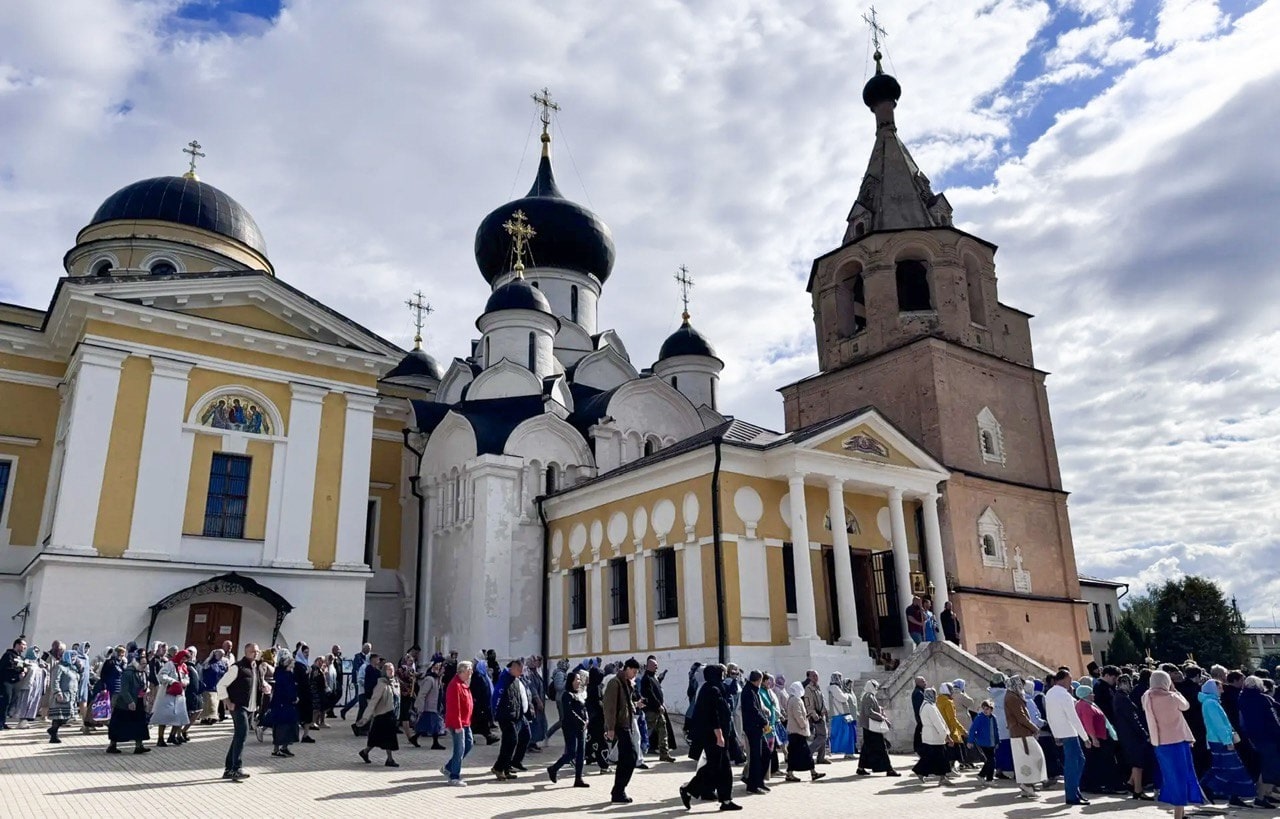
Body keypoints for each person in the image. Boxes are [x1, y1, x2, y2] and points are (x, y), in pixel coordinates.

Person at [680, 663, 743, 811]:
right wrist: (719, 735)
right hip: (713, 736)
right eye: (721, 673)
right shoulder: (711, 690)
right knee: (716, 767)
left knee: (722, 768)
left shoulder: (716, 688)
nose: (723, 676)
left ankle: (725, 800)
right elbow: (712, 715)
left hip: (720, 735)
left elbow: (731, 692)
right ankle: (689, 789)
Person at [1143, 669, 1204, 819]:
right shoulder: (1172, 697)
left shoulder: (1146, 697)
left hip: (1160, 742)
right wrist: (1175, 690)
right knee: (1182, 776)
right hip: (1178, 741)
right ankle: (1178, 814)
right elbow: (1186, 706)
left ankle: (1180, 813)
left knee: (1171, 776)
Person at [1199, 678, 1255, 807]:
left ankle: (1232, 795)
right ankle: (1208, 788)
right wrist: (1227, 741)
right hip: (1220, 741)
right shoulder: (1211, 704)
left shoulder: (1211, 702)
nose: (1222, 689)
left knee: (1221, 767)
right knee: (1230, 768)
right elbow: (1219, 725)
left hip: (1217, 740)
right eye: (1219, 687)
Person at [216, 642, 267, 781]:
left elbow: (258, 683)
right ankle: (236, 768)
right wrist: (227, 702)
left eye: (257, 651)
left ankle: (228, 769)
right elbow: (221, 685)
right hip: (238, 706)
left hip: (251, 707)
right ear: (246, 652)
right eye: (252, 651)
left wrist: (264, 687)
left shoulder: (258, 668)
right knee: (242, 734)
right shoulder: (237, 667)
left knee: (239, 736)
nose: (255, 654)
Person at [1045, 668, 1092, 806]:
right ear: (1064, 679)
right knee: (1074, 764)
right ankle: (1072, 795)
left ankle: (1074, 791)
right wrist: (1085, 737)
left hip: (1061, 731)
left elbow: (1049, 715)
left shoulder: (1050, 693)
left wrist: (1055, 734)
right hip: (1069, 732)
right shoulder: (1063, 695)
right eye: (1070, 679)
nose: (1071, 682)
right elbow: (1073, 717)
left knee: (1078, 761)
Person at [1237, 676, 1280, 808]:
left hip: (1252, 737)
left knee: (1263, 767)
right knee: (1270, 767)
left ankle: (1264, 794)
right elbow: (1273, 718)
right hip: (1269, 737)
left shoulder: (1242, 698)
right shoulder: (1264, 699)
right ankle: (1262, 796)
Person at [1111, 673, 1154, 800]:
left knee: (1136, 762)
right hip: (1131, 735)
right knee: (1138, 763)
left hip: (1126, 734)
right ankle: (1138, 790)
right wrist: (1144, 733)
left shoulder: (1119, 697)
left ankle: (1132, 783)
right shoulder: (1123, 699)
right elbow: (1133, 719)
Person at [604, 657, 641, 804]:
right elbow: (610, 707)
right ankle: (619, 790)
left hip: (625, 724)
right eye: (634, 671)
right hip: (619, 725)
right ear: (627, 669)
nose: (635, 675)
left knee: (628, 758)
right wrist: (610, 728)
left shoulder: (626, 683)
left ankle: (618, 790)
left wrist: (636, 704)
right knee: (630, 757)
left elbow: (625, 704)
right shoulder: (615, 683)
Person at [1006, 675, 1047, 798]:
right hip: (1022, 733)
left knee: (1026, 759)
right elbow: (1021, 717)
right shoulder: (1012, 698)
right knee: (1032, 758)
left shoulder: (1012, 696)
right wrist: (1034, 728)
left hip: (1020, 733)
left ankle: (1027, 786)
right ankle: (1027, 785)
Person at [548, 669, 590, 787]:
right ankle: (553, 768)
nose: (578, 681)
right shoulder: (566, 695)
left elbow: (584, 708)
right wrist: (581, 720)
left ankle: (578, 779)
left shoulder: (579, 693)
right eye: (576, 679)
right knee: (571, 753)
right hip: (570, 727)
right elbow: (569, 712)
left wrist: (586, 719)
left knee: (581, 753)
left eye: (579, 679)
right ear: (571, 681)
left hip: (581, 727)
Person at [492, 658, 532, 780]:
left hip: (517, 715)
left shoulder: (515, 679)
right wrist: (495, 714)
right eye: (519, 670)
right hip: (506, 716)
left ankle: (507, 766)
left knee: (524, 736)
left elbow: (519, 697)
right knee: (511, 741)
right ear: (513, 668)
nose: (521, 672)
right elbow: (496, 698)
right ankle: (499, 768)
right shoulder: (504, 680)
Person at [356, 661, 401, 767]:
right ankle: (389, 759)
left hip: (390, 714)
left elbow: (397, 700)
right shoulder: (381, 684)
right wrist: (365, 717)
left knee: (377, 738)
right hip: (382, 715)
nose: (391, 671)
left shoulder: (394, 683)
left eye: (392, 669)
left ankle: (365, 752)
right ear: (384, 671)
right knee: (387, 738)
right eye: (389, 669)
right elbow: (373, 701)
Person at [782, 680, 827, 783]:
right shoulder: (796, 700)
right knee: (806, 753)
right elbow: (798, 715)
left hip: (794, 731)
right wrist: (803, 725)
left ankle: (790, 773)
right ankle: (813, 772)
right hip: (798, 731)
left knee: (793, 754)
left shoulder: (792, 699)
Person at [106, 651, 150, 755]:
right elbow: (124, 690)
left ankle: (139, 746)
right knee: (119, 725)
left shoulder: (142, 673)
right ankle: (112, 745)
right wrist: (130, 701)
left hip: (138, 702)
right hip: (124, 705)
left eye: (145, 664)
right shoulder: (128, 673)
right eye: (143, 664)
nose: (145, 666)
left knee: (140, 724)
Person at [443, 659, 475, 786]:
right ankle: (454, 776)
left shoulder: (463, 683)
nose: (471, 672)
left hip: (465, 722)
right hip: (458, 723)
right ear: (461, 671)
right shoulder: (455, 685)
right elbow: (454, 707)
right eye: (469, 670)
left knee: (469, 744)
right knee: (459, 749)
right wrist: (457, 726)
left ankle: (449, 767)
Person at [856, 678, 897, 776]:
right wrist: (882, 718)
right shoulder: (868, 696)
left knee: (867, 747)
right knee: (881, 747)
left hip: (868, 726)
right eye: (875, 687)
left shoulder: (869, 696)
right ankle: (889, 769)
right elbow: (869, 711)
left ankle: (861, 768)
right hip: (871, 726)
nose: (877, 689)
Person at [913, 688, 954, 783]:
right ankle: (942, 778)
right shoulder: (930, 707)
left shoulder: (925, 705)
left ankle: (920, 771)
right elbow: (938, 723)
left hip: (929, 735)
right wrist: (946, 735)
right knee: (941, 757)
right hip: (935, 735)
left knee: (930, 757)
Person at [639, 655, 675, 762]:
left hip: (658, 710)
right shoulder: (646, 679)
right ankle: (636, 753)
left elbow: (657, 690)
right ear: (649, 666)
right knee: (646, 731)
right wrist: (658, 705)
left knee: (663, 731)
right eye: (655, 665)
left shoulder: (653, 677)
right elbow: (650, 694)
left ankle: (664, 753)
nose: (656, 667)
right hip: (651, 710)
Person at [741, 669, 771, 795]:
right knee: (755, 757)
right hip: (752, 728)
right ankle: (752, 785)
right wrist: (764, 721)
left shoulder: (754, 690)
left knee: (766, 753)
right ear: (758, 680)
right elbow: (753, 710)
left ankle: (758, 781)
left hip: (757, 727)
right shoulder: (748, 691)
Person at [269, 651, 299, 758]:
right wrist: (291, 697)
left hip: (290, 704)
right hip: (281, 703)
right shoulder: (280, 673)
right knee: (280, 726)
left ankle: (285, 747)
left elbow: (292, 687)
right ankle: (276, 749)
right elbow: (282, 689)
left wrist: (295, 697)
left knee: (291, 725)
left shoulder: (289, 674)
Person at [47, 648, 79, 744]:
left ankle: (52, 730)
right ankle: (54, 735)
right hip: (62, 695)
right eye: (71, 657)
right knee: (58, 717)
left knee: (67, 717)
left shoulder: (73, 668)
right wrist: (57, 692)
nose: (73, 659)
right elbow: (55, 681)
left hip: (71, 695)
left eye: (75, 657)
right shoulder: (59, 667)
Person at [415, 657, 445, 750]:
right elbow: (422, 694)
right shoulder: (430, 679)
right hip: (429, 706)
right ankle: (435, 743)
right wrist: (420, 707)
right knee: (435, 725)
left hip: (434, 706)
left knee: (424, 725)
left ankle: (414, 738)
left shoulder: (437, 679)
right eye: (442, 668)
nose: (443, 671)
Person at [803, 670, 830, 765]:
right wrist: (814, 715)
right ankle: (807, 754)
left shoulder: (817, 688)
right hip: (816, 716)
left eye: (817, 676)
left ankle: (821, 758)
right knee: (822, 737)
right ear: (809, 677)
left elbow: (822, 701)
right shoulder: (808, 689)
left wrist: (825, 711)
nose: (815, 678)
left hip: (822, 715)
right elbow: (809, 704)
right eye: (813, 676)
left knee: (822, 736)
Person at [827, 672, 856, 759]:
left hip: (843, 714)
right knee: (844, 734)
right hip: (841, 714)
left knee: (847, 734)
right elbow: (842, 698)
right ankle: (847, 752)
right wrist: (846, 695)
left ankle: (849, 752)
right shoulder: (834, 688)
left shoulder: (835, 688)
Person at [968, 699, 998, 782]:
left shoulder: (993, 718)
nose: (985, 711)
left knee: (991, 761)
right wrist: (970, 741)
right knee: (990, 761)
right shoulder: (979, 718)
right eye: (984, 708)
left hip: (991, 743)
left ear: (991, 709)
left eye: (987, 709)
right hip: (983, 743)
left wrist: (997, 741)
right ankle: (986, 778)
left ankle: (985, 777)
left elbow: (996, 730)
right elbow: (972, 730)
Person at [340, 642, 371, 719]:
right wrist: (357, 680)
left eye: (369, 649)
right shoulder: (358, 657)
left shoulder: (368, 658)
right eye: (367, 648)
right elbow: (356, 669)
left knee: (359, 697)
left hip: (365, 680)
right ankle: (344, 710)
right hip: (358, 680)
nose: (368, 650)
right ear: (363, 648)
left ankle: (346, 710)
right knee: (357, 697)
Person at [0, 637, 25, 730]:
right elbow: (8, 668)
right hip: (6, 682)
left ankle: (3, 722)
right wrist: (21, 670)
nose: (25, 647)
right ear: (17, 645)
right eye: (23, 645)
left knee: (10, 703)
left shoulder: (21, 657)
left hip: (15, 683)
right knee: (4, 702)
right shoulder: (8, 655)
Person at [911, 675, 928, 755]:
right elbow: (919, 708)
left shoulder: (920, 691)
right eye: (923, 681)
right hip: (921, 719)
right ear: (918, 683)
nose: (925, 683)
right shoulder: (918, 693)